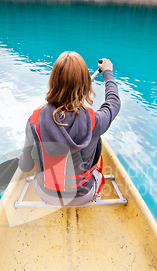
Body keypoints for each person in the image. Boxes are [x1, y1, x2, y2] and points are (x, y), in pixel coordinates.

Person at [18, 51, 121, 206]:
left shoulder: (34, 120)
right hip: (84, 195)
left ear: (53, 82)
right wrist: (107, 72)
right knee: (98, 159)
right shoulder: (96, 122)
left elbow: (26, 166)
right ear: (85, 86)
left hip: (46, 193)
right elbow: (113, 102)